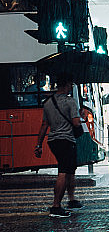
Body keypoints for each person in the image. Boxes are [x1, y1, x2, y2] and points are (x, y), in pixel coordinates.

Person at [34, 73, 83, 218]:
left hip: (53, 140)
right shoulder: (70, 102)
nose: (71, 87)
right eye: (70, 85)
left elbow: (44, 125)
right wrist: (82, 117)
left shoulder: (48, 102)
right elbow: (76, 123)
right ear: (66, 85)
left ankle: (72, 200)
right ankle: (56, 206)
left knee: (70, 170)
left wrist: (38, 145)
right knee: (63, 172)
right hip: (66, 140)